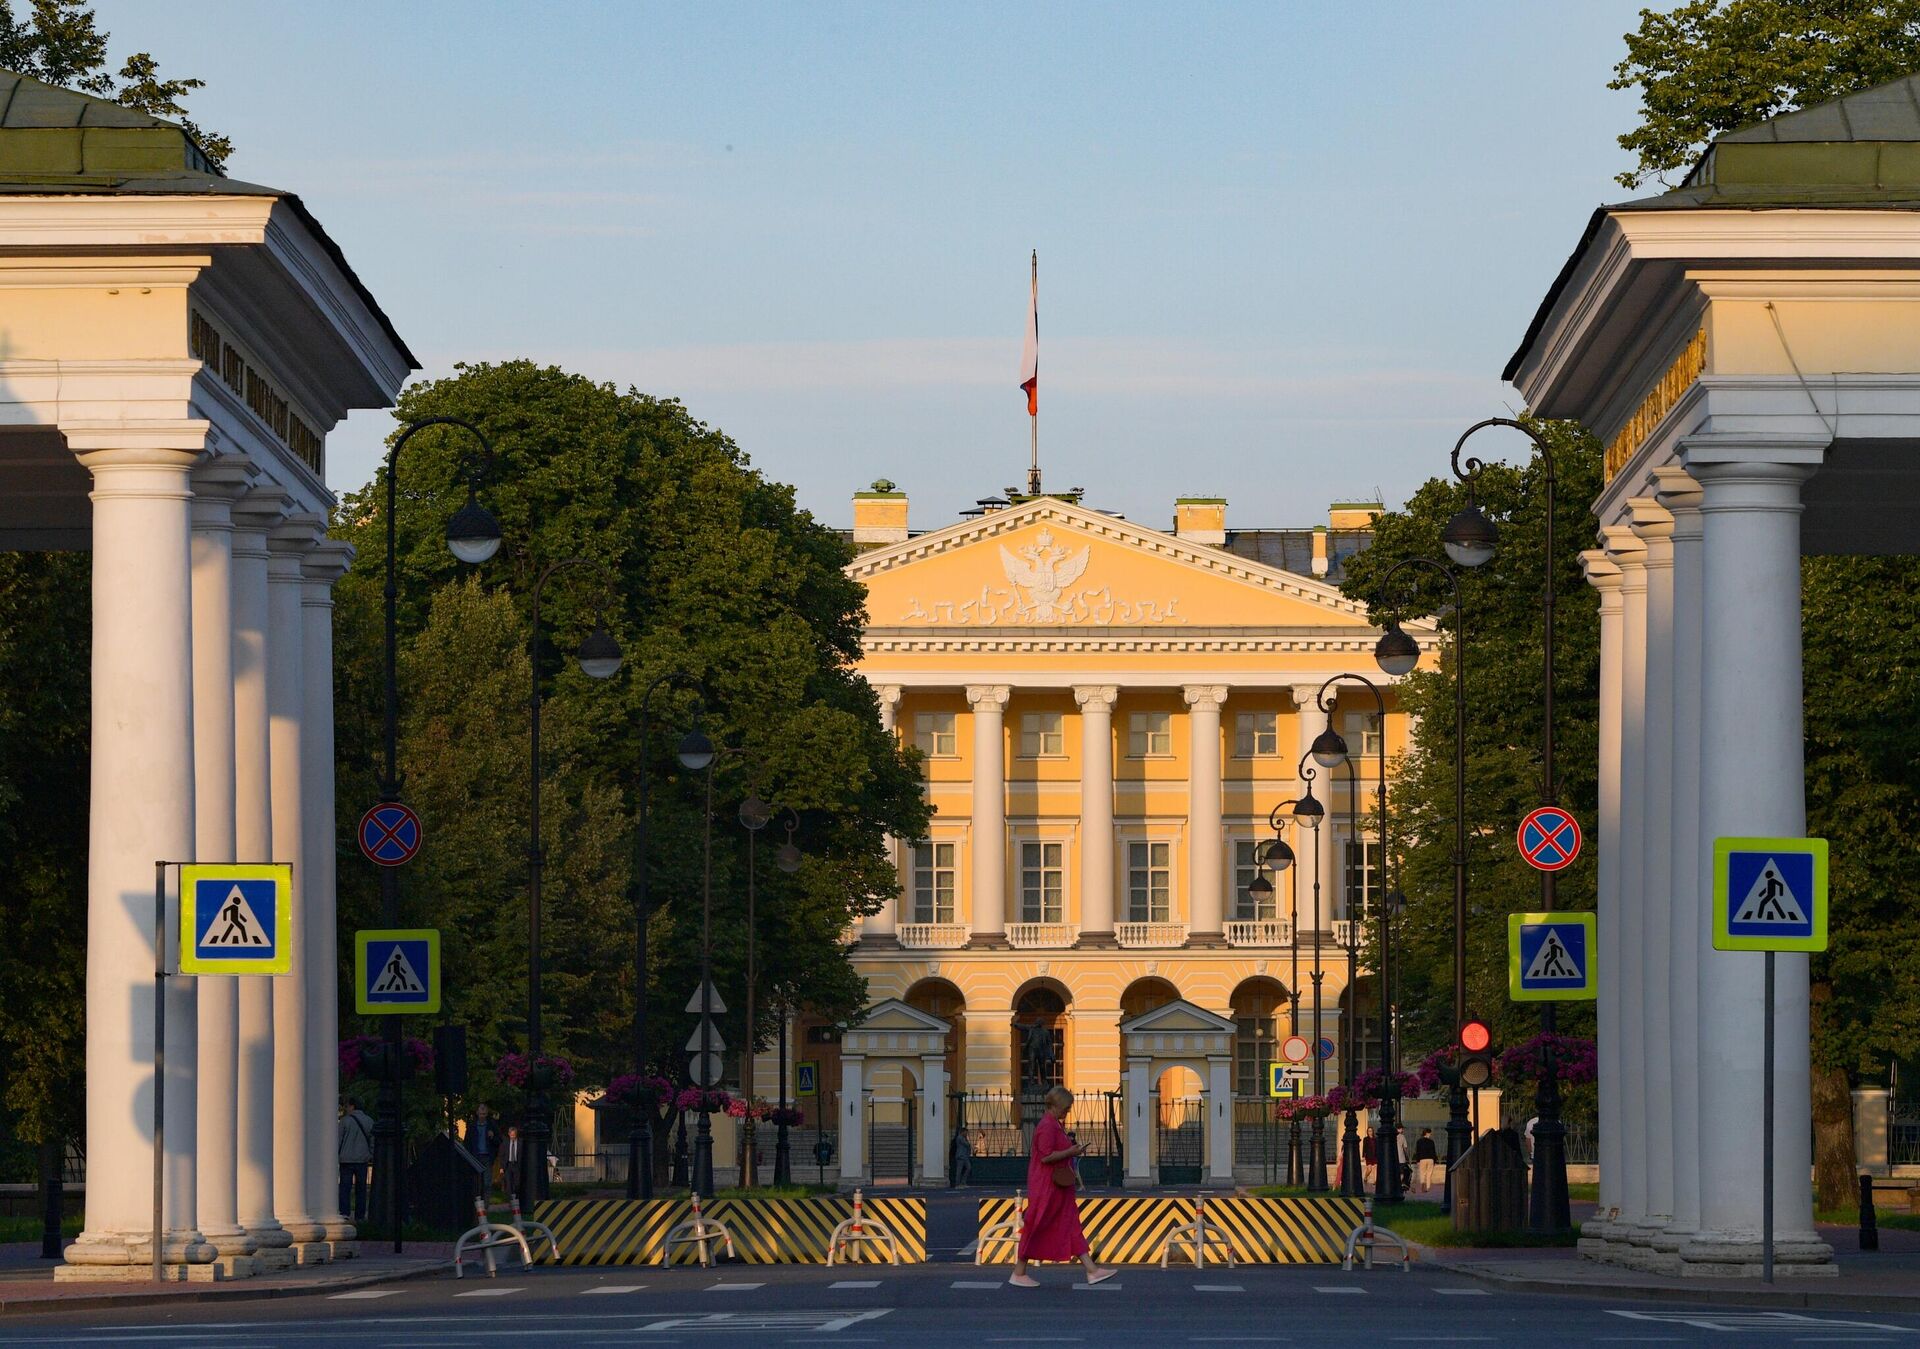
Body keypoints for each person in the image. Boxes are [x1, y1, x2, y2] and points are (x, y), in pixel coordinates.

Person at [1010, 1085, 1114, 1288]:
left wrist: (1071, 1150)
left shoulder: (1053, 1124)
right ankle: (1019, 1271)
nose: (1067, 1112)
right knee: (1037, 1223)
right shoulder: (1047, 1126)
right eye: (1065, 1108)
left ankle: (1091, 1270)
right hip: (1048, 1186)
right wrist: (1071, 1152)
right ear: (1055, 1106)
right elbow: (1046, 1156)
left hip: (1057, 1186)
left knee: (1070, 1223)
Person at [337, 1097, 374, 1223]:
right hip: (362, 1159)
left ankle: (344, 1212)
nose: (346, 1109)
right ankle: (360, 1215)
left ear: (352, 1106)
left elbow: (338, 1140)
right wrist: (370, 1154)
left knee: (345, 1188)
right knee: (361, 1189)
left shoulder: (344, 1122)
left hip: (346, 1159)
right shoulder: (369, 1121)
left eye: (347, 1106)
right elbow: (372, 1140)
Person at [468, 1103, 499, 1198]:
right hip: (475, 1157)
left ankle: (485, 1206)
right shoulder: (472, 1126)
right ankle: (476, 1204)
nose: (482, 1116)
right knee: (477, 1182)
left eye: (484, 1114)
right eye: (481, 1114)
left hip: (487, 1157)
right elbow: (467, 1142)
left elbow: (499, 1141)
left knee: (487, 1183)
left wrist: (493, 1136)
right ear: (477, 1113)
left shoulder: (491, 1125)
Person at [502, 1125, 524, 1205]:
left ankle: (517, 1199)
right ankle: (511, 1201)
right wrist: (502, 1167)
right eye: (511, 1135)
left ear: (516, 1134)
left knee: (517, 1183)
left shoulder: (521, 1142)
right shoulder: (506, 1143)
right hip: (508, 1165)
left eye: (514, 1135)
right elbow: (502, 1154)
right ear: (509, 1134)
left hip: (517, 1165)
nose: (512, 1137)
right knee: (508, 1183)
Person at [1414, 1127, 1439, 1194]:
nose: (1430, 1134)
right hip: (1430, 1159)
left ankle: (1422, 1184)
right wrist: (1435, 1160)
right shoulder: (1431, 1142)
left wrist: (1417, 1160)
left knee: (1422, 1173)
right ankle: (1428, 1188)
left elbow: (1417, 1151)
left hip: (1422, 1159)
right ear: (1427, 1133)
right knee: (1429, 1174)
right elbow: (1434, 1151)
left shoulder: (1419, 1141)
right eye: (1430, 1133)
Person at [950, 1124, 973, 1188]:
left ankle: (963, 1182)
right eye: (966, 1132)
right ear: (962, 1132)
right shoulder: (960, 1138)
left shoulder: (963, 1138)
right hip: (960, 1156)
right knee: (959, 1171)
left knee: (969, 1168)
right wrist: (968, 1143)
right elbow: (967, 1144)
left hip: (965, 1156)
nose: (966, 1134)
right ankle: (957, 1184)